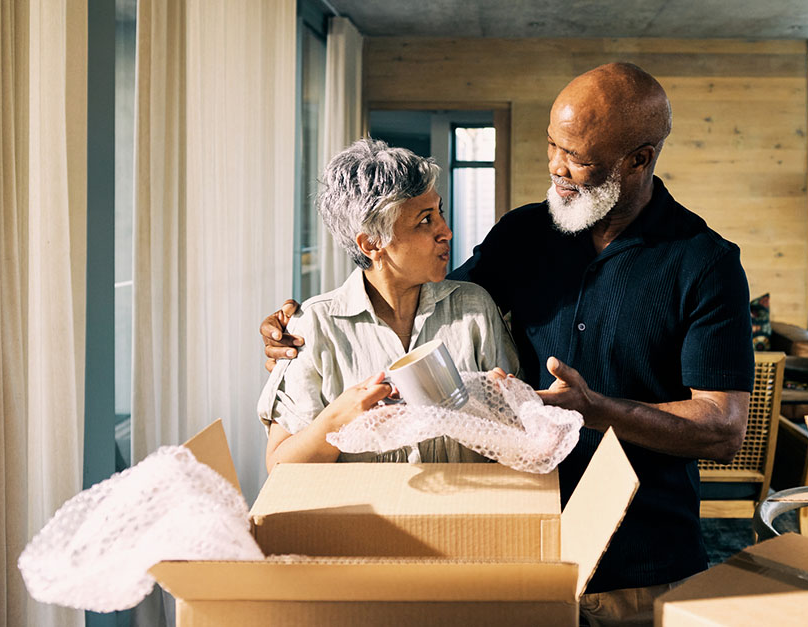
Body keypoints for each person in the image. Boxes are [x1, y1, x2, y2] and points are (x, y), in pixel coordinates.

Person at [262, 63, 753, 626]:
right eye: (552, 145)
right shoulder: (524, 234)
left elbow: (722, 429)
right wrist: (292, 327)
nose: (556, 167)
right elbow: (423, 296)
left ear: (638, 159)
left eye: (578, 158)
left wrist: (596, 411)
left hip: (642, 560)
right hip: (517, 550)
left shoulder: (705, 263)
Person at [258, 138, 519, 472]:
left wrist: (503, 412)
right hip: (363, 523)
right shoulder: (315, 325)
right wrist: (335, 419)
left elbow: (517, 442)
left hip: (464, 518)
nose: (446, 232)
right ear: (372, 243)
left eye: (439, 212)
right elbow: (279, 466)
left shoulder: (474, 309)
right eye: (425, 220)